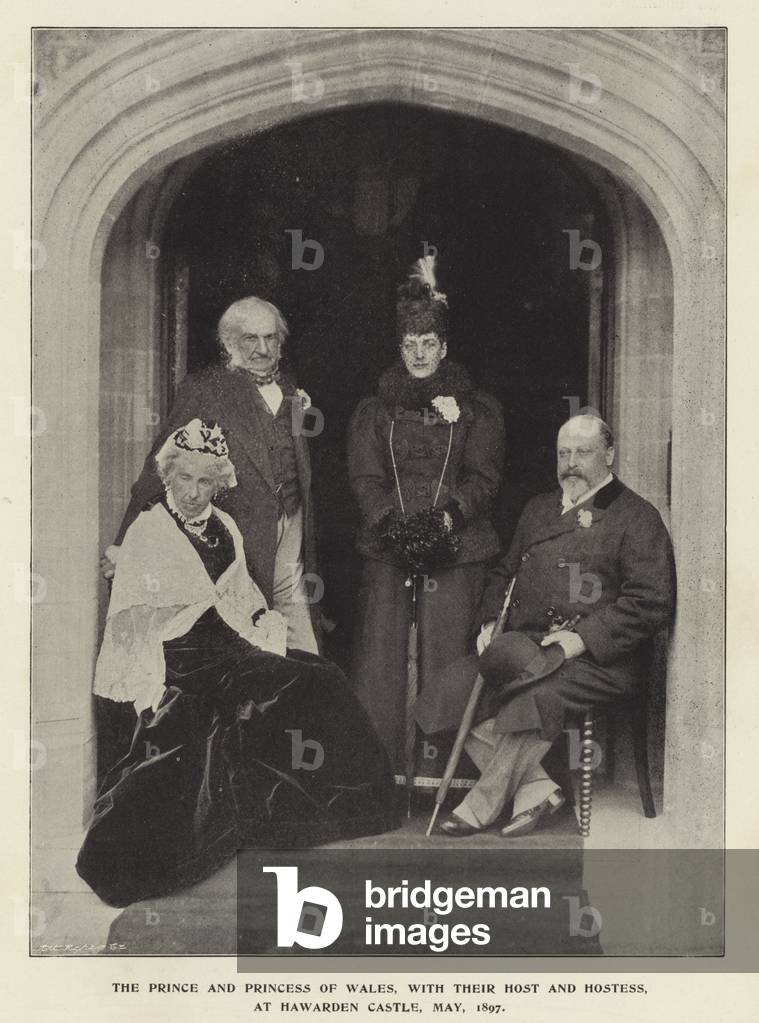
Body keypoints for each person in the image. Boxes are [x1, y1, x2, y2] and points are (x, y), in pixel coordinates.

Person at [77, 420, 398, 908]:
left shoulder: (224, 527)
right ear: (168, 476)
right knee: (270, 689)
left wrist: (257, 622)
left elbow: (239, 593)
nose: (193, 492)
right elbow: (132, 616)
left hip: (229, 645)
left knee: (322, 676)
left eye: (205, 482)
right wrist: (152, 679)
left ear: (218, 484)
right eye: (184, 479)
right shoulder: (149, 530)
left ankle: (344, 809)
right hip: (180, 657)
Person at [416, 413, 676, 837]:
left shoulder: (635, 516)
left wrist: (580, 639)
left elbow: (650, 602)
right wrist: (488, 623)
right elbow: (503, 573)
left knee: (533, 699)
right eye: (564, 453)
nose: (571, 463)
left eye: (584, 452)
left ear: (609, 454)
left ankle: (483, 803)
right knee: (449, 690)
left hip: (600, 658)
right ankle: (538, 789)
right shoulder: (538, 509)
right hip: (527, 646)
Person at [347, 256, 505, 782]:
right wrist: (391, 523)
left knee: (448, 656)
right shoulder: (374, 410)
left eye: (428, 344)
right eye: (410, 345)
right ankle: (383, 774)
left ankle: (448, 773)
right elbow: (365, 479)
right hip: (388, 543)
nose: (419, 353)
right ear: (400, 348)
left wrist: (444, 521)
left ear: (444, 347)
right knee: (382, 660)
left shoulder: (477, 408)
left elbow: (483, 479)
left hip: (456, 544)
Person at [101, 296, 319, 654]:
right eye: (251, 339)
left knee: (294, 618)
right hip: (236, 535)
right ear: (230, 343)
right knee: (247, 634)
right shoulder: (205, 390)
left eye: (271, 339)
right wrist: (124, 542)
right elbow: (160, 467)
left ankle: (304, 699)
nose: (263, 349)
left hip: (291, 523)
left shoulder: (292, 390)